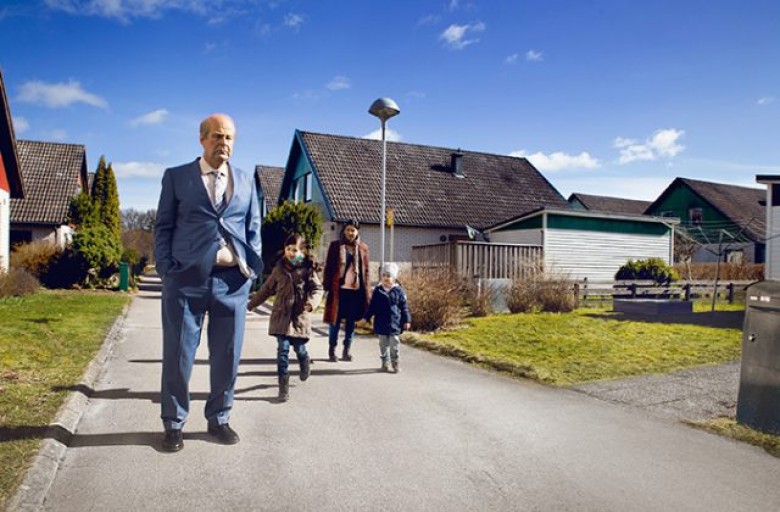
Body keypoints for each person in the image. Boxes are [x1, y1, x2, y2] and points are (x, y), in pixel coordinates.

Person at [153, 113, 263, 452]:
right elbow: (163, 227)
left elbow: (254, 229)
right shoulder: (176, 177)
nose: (224, 144)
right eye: (217, 137)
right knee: (178, 355)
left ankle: (219, 419)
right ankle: (173, 423)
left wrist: (250, 272)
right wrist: (167, 269)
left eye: (229, 138)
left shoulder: (246, 181)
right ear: (202, 139)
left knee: (227, 357)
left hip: (232, 284)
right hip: (185, 281)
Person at [247, 234, 324, 402]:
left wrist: (311, 304)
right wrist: (251, 304)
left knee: (300, 350)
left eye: (294, 250)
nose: (290, 252)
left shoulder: (306, 269)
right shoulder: (279, 269)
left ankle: (305, 362)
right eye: (288, 249)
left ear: (302, 251)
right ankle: (283, 388)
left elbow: (317, 289)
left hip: (299, 318)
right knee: (282, 351)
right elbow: (266, 290)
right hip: (281, 317)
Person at [322, 219, 370, 362]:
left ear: (357, 232)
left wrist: (367, 292)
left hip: (355, 293)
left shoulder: (363, 248)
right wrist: (326, 286)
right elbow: (329, 267)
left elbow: (366, 272)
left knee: (351, 323)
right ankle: (332, 350)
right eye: (348, 229)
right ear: (344, 231)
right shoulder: (336, 246)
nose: (350, 233)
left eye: (353, 230)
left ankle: (346, 350)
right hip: (338, 291)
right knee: (334, 322)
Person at [363, 263, 411, 373]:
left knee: (394, 345)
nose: (386, 278)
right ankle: (385, 363)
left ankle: (395, 363)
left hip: (395, 323)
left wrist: (407, 320)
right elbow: (372, 307)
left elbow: (404, 307)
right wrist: (366, 318)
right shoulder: (377, 291)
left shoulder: (399, 291)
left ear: (394, 278)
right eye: (383, 275)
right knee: (383, 345)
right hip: (381, 323)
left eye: (388, 276)